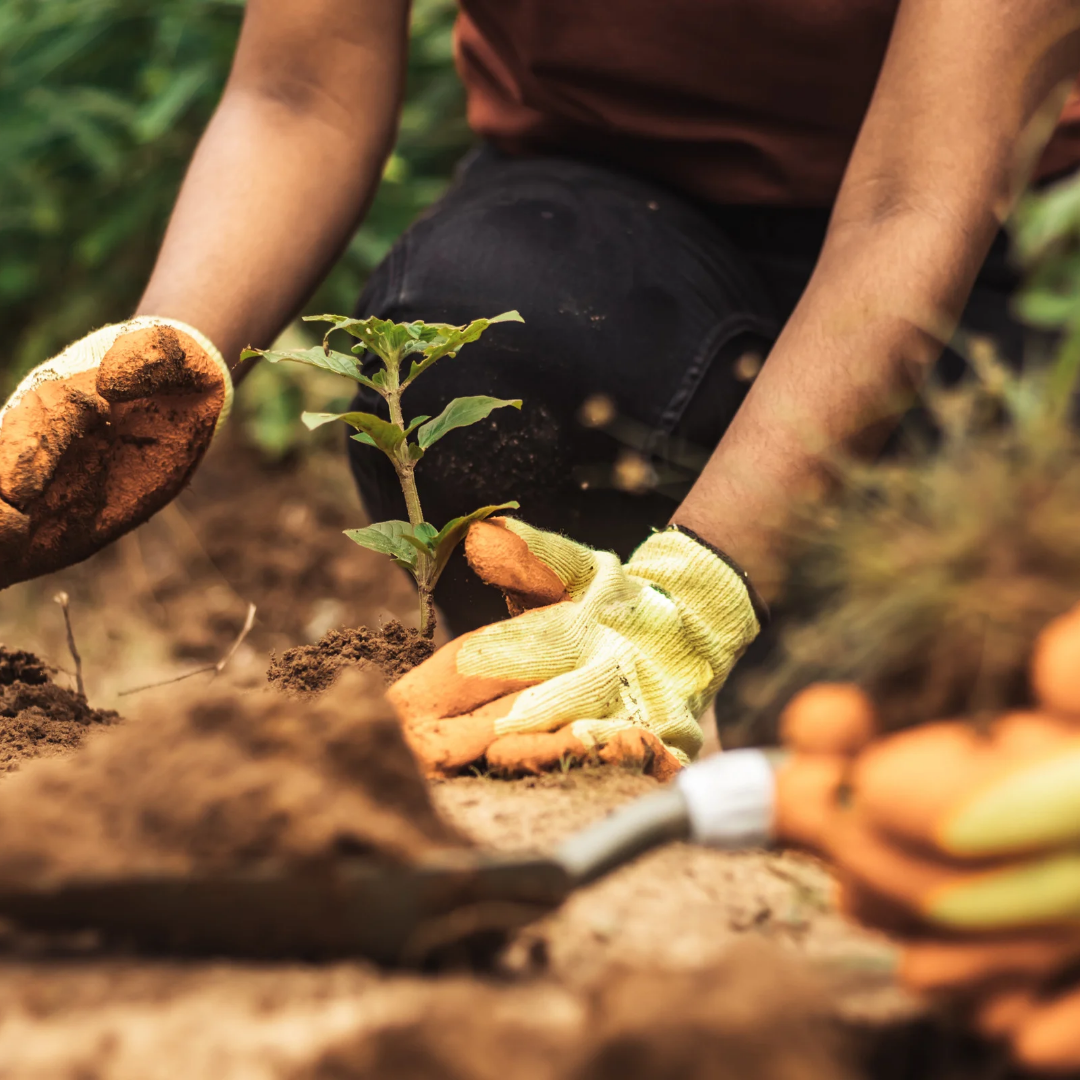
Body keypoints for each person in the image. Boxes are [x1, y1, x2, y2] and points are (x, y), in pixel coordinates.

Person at [2, 0, 1079, 777]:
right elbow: (300, 90)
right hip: (605, 239)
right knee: (481, 349)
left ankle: (738, 654)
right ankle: (602, 696)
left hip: (985, 270)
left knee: (986, 647)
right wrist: (151, 365)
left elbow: (916, 199)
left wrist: (688, 604)